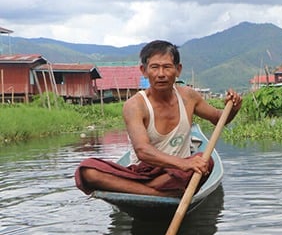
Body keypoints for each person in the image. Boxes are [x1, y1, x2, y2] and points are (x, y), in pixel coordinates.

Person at [75, 40, 242, 197]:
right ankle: (158, 194)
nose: (161, 74)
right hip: (144, 173)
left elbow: (219, 119)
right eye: (154, 67)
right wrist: (183, 164)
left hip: (176, 175)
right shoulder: (135, 105)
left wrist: (233, 108)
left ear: (178, 70)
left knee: (205, 160)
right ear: (144, 70)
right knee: (87, 171)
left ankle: (138, 191)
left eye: (167, 67)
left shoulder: (189, 97)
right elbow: (142, 151)